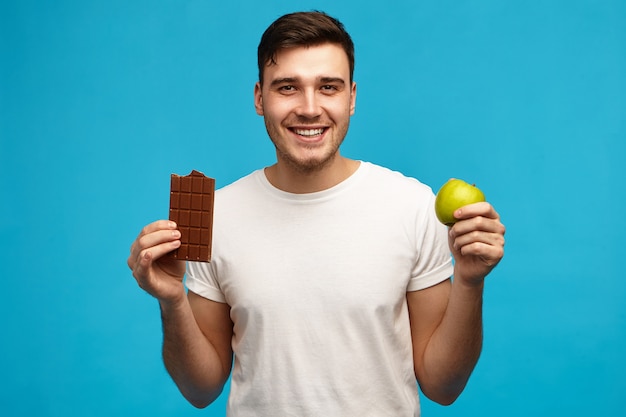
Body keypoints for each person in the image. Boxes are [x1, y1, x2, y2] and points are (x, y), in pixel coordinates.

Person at [128, 11, 505, 416]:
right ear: (259, 98)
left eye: (328, 87)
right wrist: (171, 300)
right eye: (288, 87)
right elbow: (200, 389)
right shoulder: (214, 215)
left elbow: (442, 386)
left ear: (352, 98)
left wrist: (469, 281)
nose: (310, 109)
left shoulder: (412, 205)